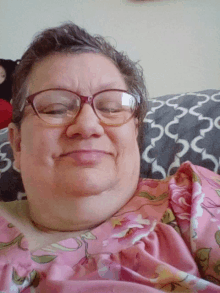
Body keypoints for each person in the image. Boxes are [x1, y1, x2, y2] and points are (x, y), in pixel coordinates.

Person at [0, 22, 219, 292]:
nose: (88, 125)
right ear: (18, 143)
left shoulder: (194, 200)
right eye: (56, 109)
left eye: (112, 108)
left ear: (135, 131)